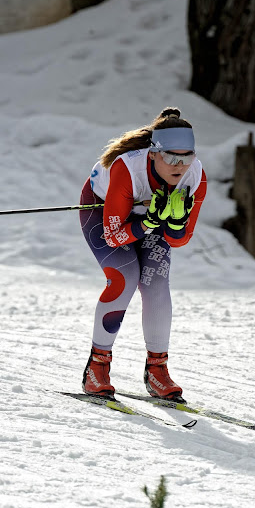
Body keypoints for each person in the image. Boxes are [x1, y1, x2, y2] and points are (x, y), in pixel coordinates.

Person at [79, 107, 207, 402]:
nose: (180, 165)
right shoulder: (128, 168)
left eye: (187, 157)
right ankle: (97, 367)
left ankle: (157, 370)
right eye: (171, 157)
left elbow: (180, 239)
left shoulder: (196, 176)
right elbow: (113, 235)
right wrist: (150, 220)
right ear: (153, 154)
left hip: (145, 220)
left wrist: (173, 222)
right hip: (103, 213)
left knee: (157, 284)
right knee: (124, 278)